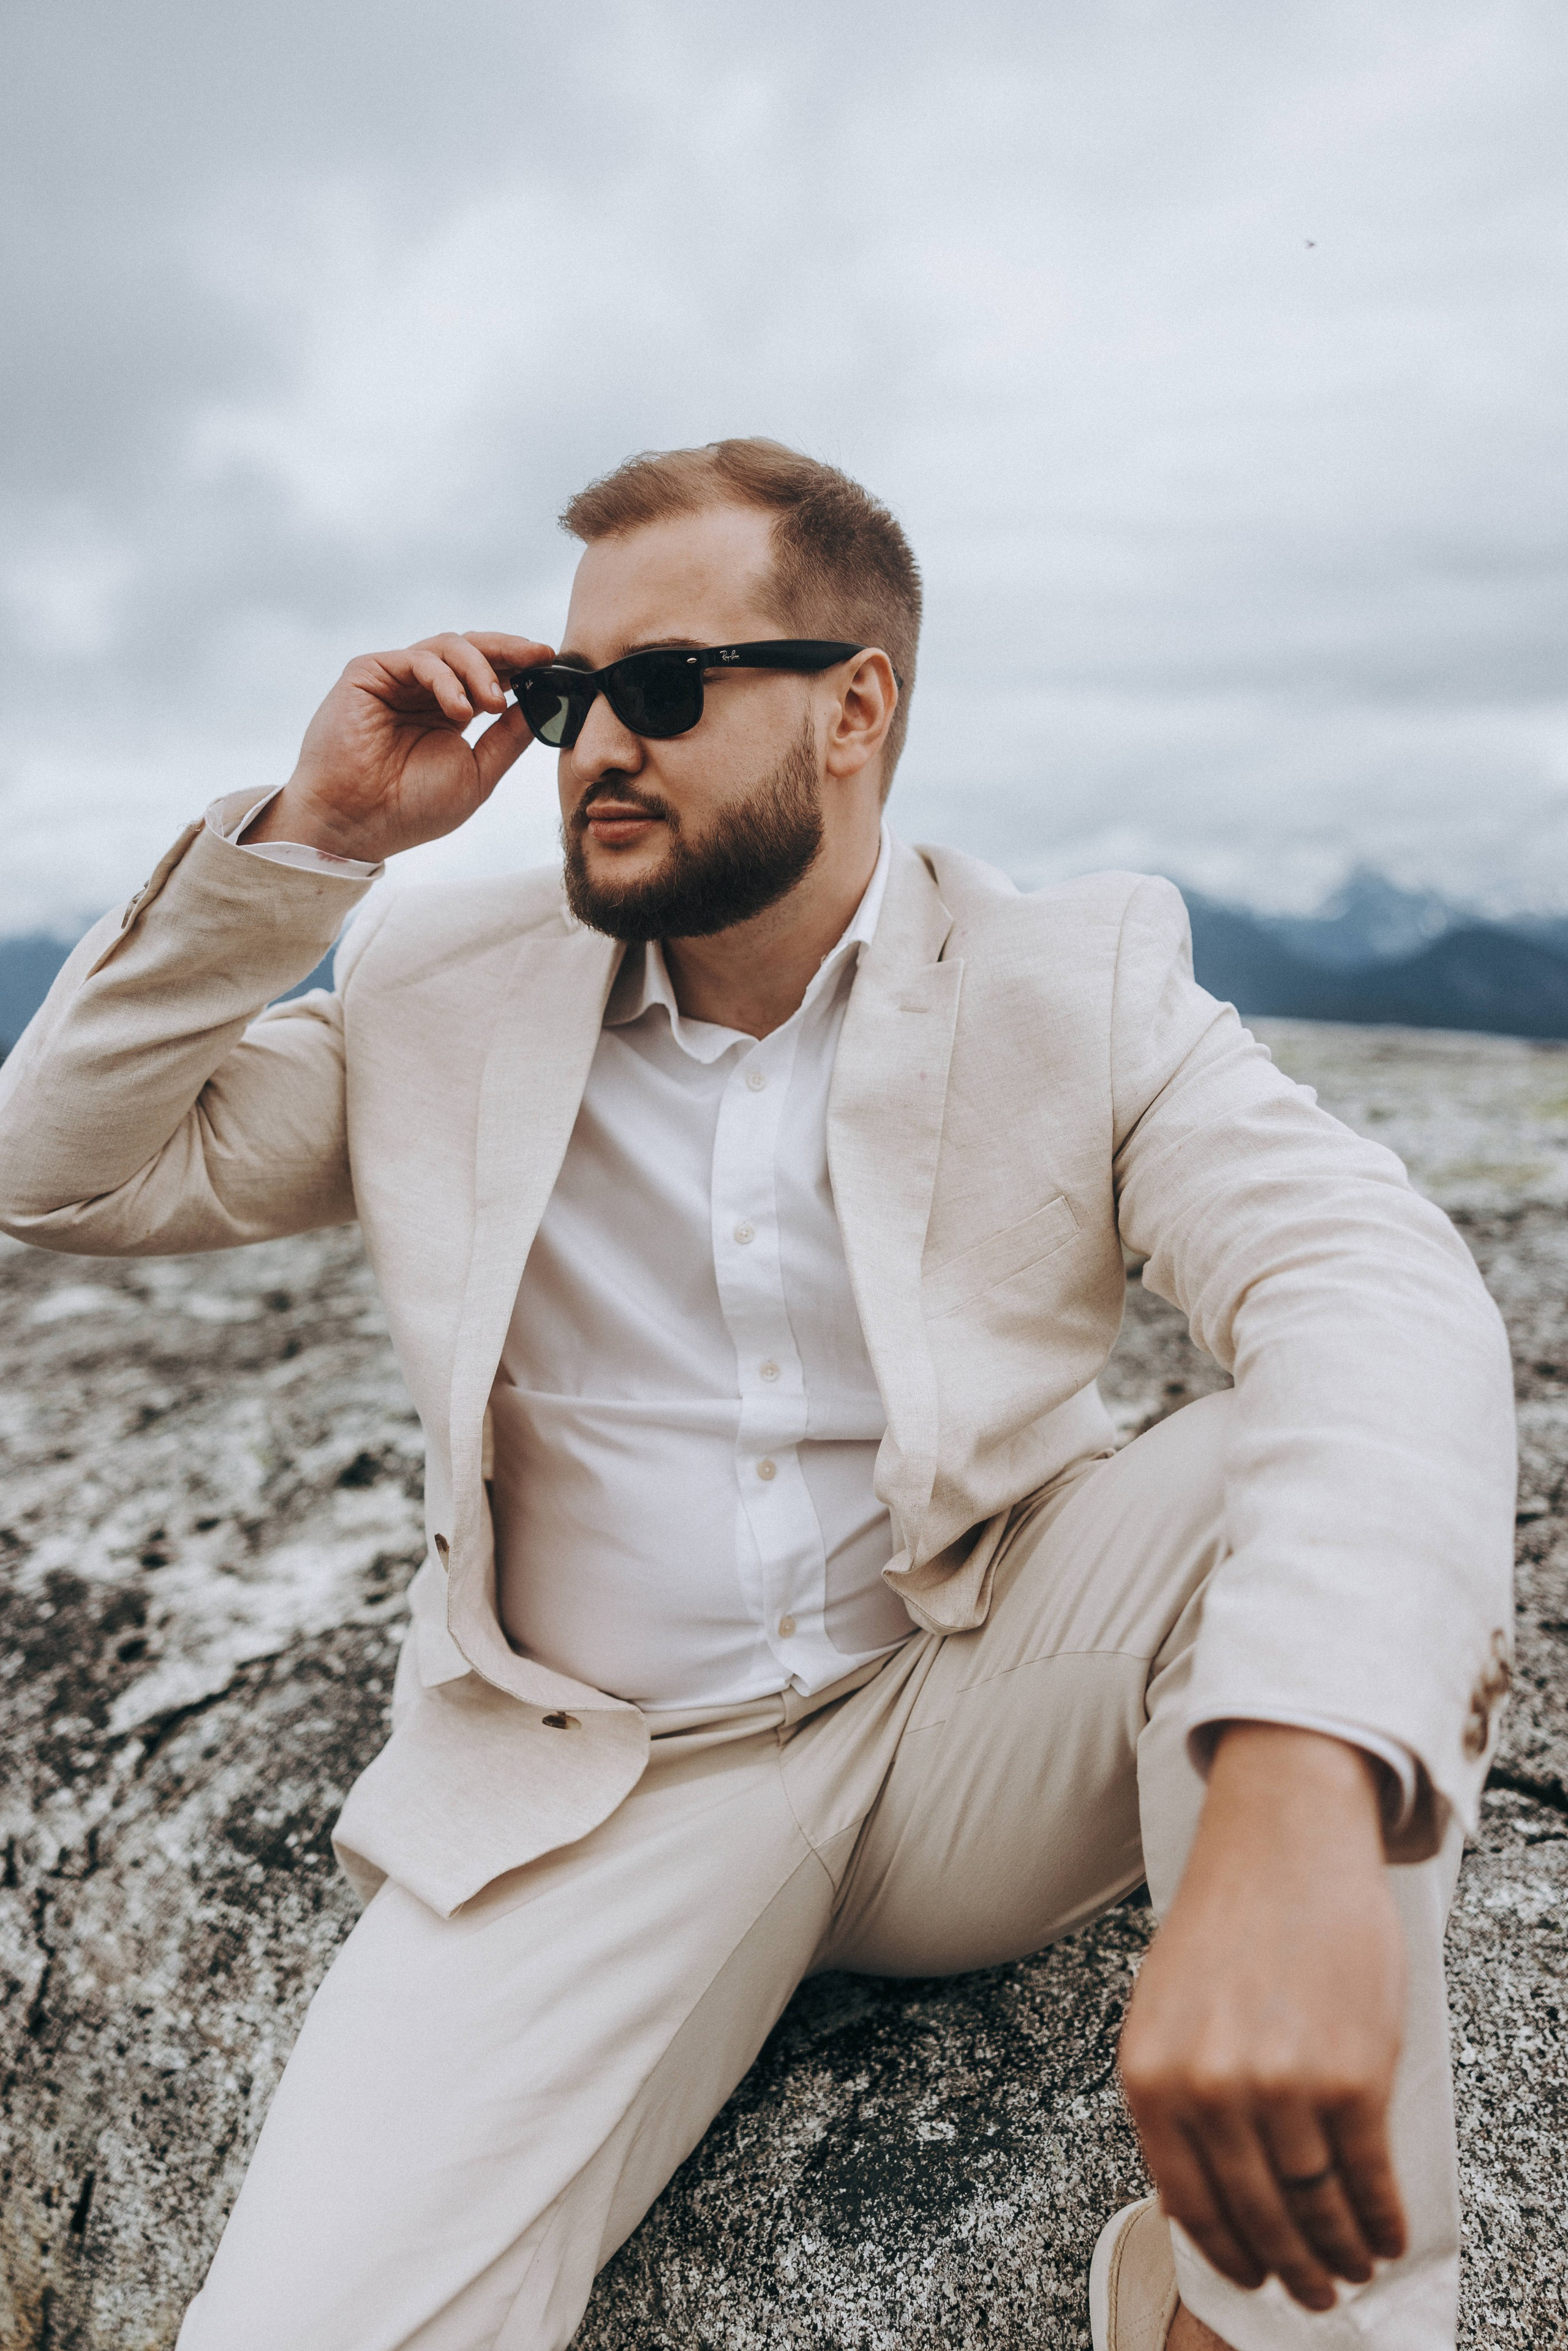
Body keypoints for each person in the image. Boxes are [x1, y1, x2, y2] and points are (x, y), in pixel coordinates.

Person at [0, 439, 1515, 2351]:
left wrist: (1298, 1791)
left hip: (973, 1701)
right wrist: (315, 837)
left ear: (853, 709)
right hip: (597, 1794)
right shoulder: (439, 978)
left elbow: (1368, 1283)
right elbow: (60, 1171)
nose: (595, 746)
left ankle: (1271, 2329)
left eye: (661, 686)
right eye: (569, 695)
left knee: (1274, 1475)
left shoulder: (1074, 972)